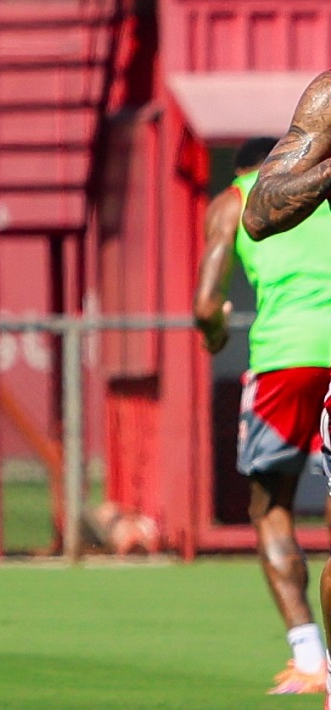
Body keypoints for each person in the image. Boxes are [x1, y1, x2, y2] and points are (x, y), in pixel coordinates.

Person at [212, 121, 331, 696]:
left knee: (270, 504)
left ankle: (310, 656)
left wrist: (212, 334)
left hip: (286, 358)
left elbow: (206, 302)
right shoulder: (324, 194)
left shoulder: (236, 198)